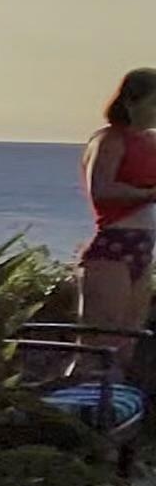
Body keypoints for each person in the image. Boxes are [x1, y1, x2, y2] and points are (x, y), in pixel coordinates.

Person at [77, 66, 156, 333]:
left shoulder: (150, 141)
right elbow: (101, 189)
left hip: (143, 246)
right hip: (114, 244)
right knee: (101, 337)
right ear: (131, 101)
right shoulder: (110, 139)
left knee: (128, 339)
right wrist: (148, 193)